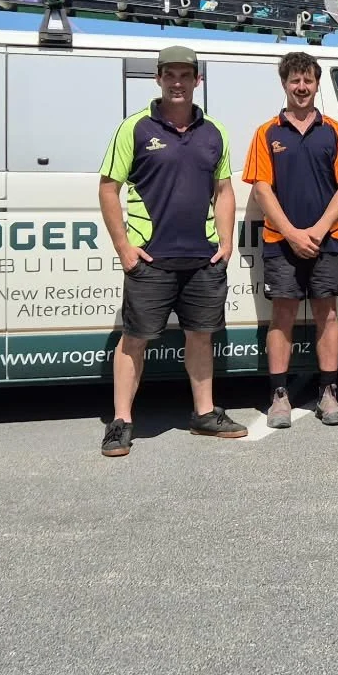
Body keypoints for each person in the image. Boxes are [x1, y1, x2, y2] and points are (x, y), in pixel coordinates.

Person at [97, 44, 244, 457]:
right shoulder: (135, 128)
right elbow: (109, 187)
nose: (177, 82)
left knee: (200, 337)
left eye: (185, 75)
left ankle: (204, 414)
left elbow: (225, 189)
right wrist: (124, 247)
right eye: (170, 74)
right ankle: (121, 422)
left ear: (197, 81)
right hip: (152, 259)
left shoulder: (214, 132)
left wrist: (227, 242)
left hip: (203, 259)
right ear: (158, 78)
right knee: (135, 339)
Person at [243, 50, 338, 429]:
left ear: (316, 83)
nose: (301, 87)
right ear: (284, 84)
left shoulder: (335, 131)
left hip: (329, 239)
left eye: (308, 80)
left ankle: (329, 392)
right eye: (294, 80)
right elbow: (262, 189)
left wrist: (319, 229)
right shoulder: (266, 133)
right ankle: (280, 394)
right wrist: (293, 234)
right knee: (282, 317)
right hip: (282, 241)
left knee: (328, 315)